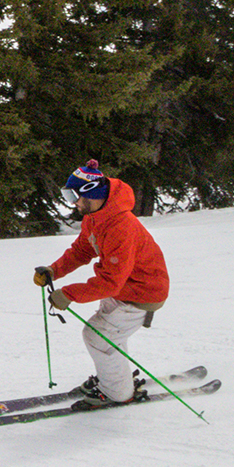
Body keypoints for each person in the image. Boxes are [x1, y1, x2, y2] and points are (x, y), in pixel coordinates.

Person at [32, 160, 170, 407]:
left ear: (91, 193)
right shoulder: (95, 216)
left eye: (72, 195)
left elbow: (110, 282)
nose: (72, 202)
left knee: (98, 337)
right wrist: (54, 270)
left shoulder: (121, 226)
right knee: (108, 337)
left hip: (142, 292)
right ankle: (115, 379)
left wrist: (69, 294)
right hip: (124, 287)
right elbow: (81, 250)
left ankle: (118, 393)